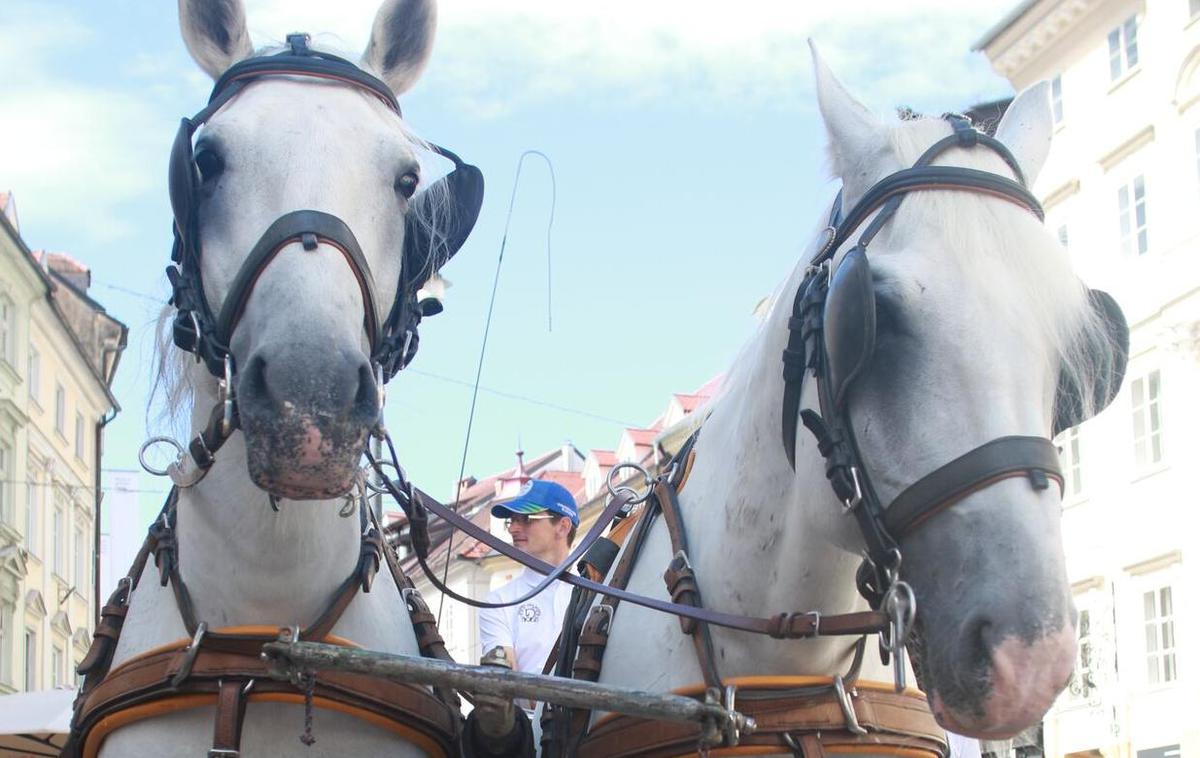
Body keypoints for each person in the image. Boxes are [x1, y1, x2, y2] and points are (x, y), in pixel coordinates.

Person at [478, 479, 578, 685]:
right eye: (511, 520)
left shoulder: (598, 591)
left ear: (563, 526)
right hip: (527, 717)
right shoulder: (498, 601)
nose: (513, 529)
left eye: (526, 519)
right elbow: (506, 680)